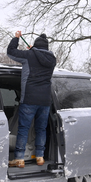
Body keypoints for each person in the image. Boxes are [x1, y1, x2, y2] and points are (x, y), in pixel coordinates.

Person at [6, 31, 57, 168]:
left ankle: (19, 158)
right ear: (46, 47)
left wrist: (16, 38)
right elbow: (40, 57)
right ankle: (40, 157)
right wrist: (33, 51)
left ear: (35, 45)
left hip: (29, 98)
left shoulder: (29, 55)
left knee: (23, 128)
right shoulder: (52, 59)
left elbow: (11, 52)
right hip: (45, 100)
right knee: (41, 128)